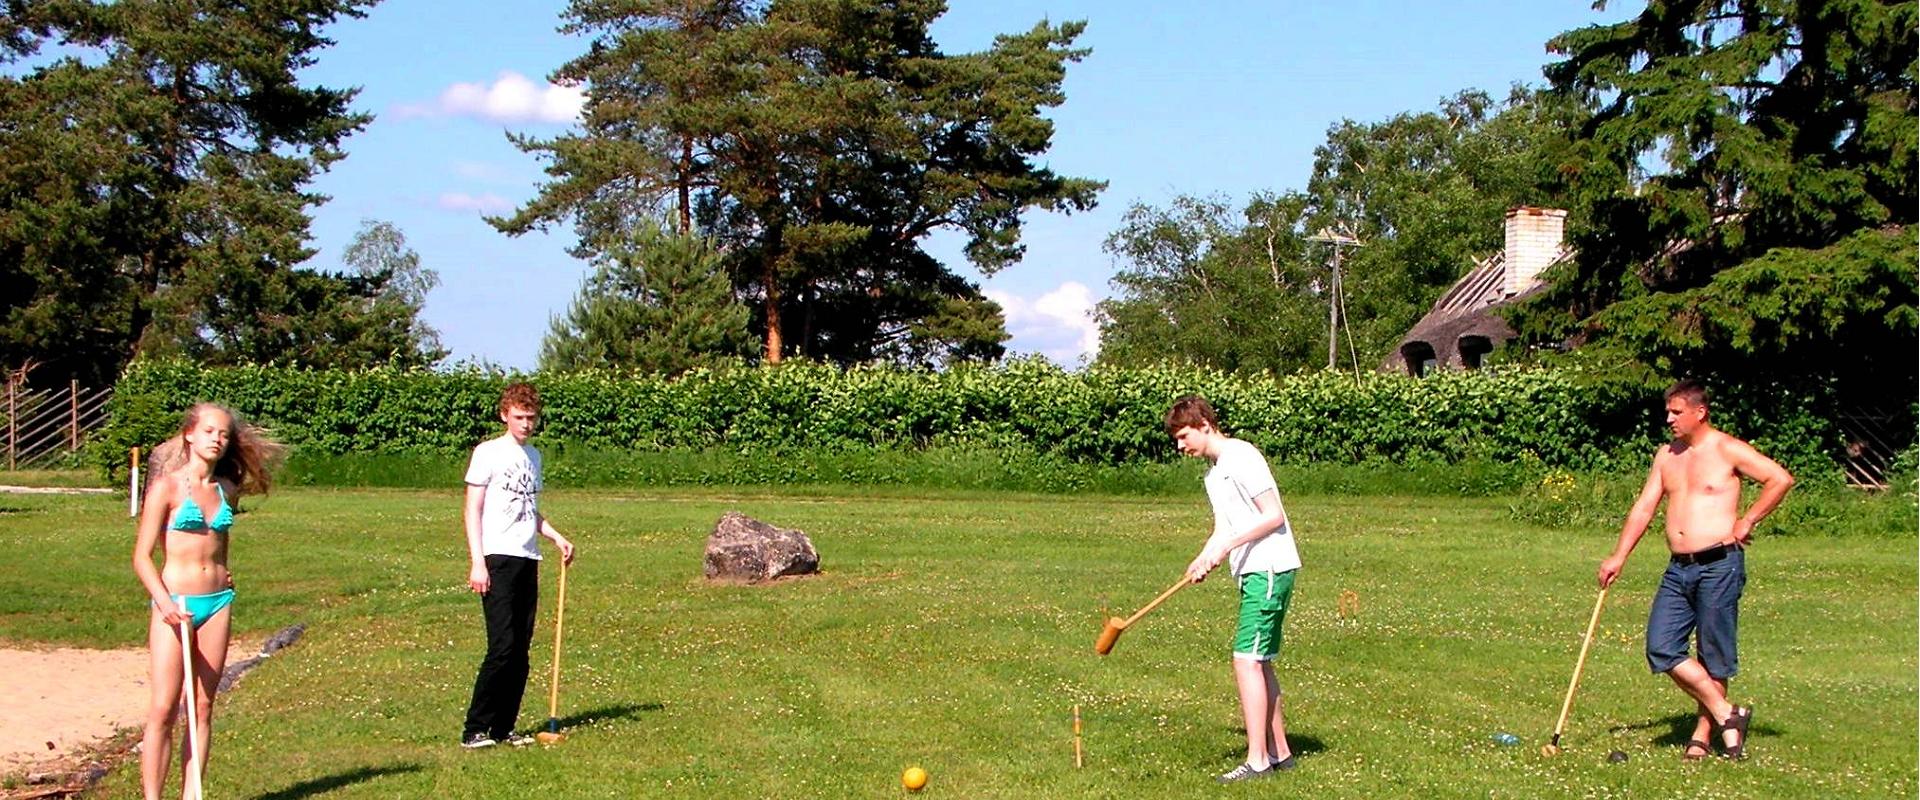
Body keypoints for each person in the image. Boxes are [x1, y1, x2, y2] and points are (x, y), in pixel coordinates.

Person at [1597, 379, 1794, 761]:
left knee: (1713, 654)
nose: (1668, 419)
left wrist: (1749, 519)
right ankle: (1727, 714)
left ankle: (1702, 737)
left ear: (1699, 412)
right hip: (1678, 568)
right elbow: (1643, 508)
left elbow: (1779, 479)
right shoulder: (1667, 455)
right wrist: (1618, 555)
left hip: (1719, 564)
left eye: (1676, 412)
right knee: (1661, 646)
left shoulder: (1726, 448)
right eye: (1667, 412)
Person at [133, 403, 280, 800]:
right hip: (174, 606)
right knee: (164, 708)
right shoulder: (165, 488)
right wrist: (163, 603)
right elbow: (141, 557)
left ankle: (191, 794)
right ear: (190, 435)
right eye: (210, 431)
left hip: (217, 603)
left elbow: (219, 543)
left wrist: (224, 570)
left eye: (225, 434)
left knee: (202, 706)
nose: (218, 439)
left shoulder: (226, 490)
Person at [1166, 395, 1301, 783]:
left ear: (1205, 424)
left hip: (1270, 568)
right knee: (1259, 660)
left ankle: (1257, 761)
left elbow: (1273, 516)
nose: (1180, 446)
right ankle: (1281, 754)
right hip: (1253, 571)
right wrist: (1204, 556)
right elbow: (1224, 529)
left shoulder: (1242, 457)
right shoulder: (1214, 473)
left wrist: (1228, 547)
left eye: (1184, 435)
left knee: (1246, 660)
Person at [461, 382, 576, 749]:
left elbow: (529, 510)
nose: (526, 424)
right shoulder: (488, 453)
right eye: (519, 417)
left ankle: (503, 727)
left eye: (531, 418)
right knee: (502, 647)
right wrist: (478, 563)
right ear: (504, 416)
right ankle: (475, 729)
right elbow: (472, 509)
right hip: (497, 557)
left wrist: (555, 536)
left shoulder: (534, 457)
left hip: (528, 557)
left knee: (522, 648)